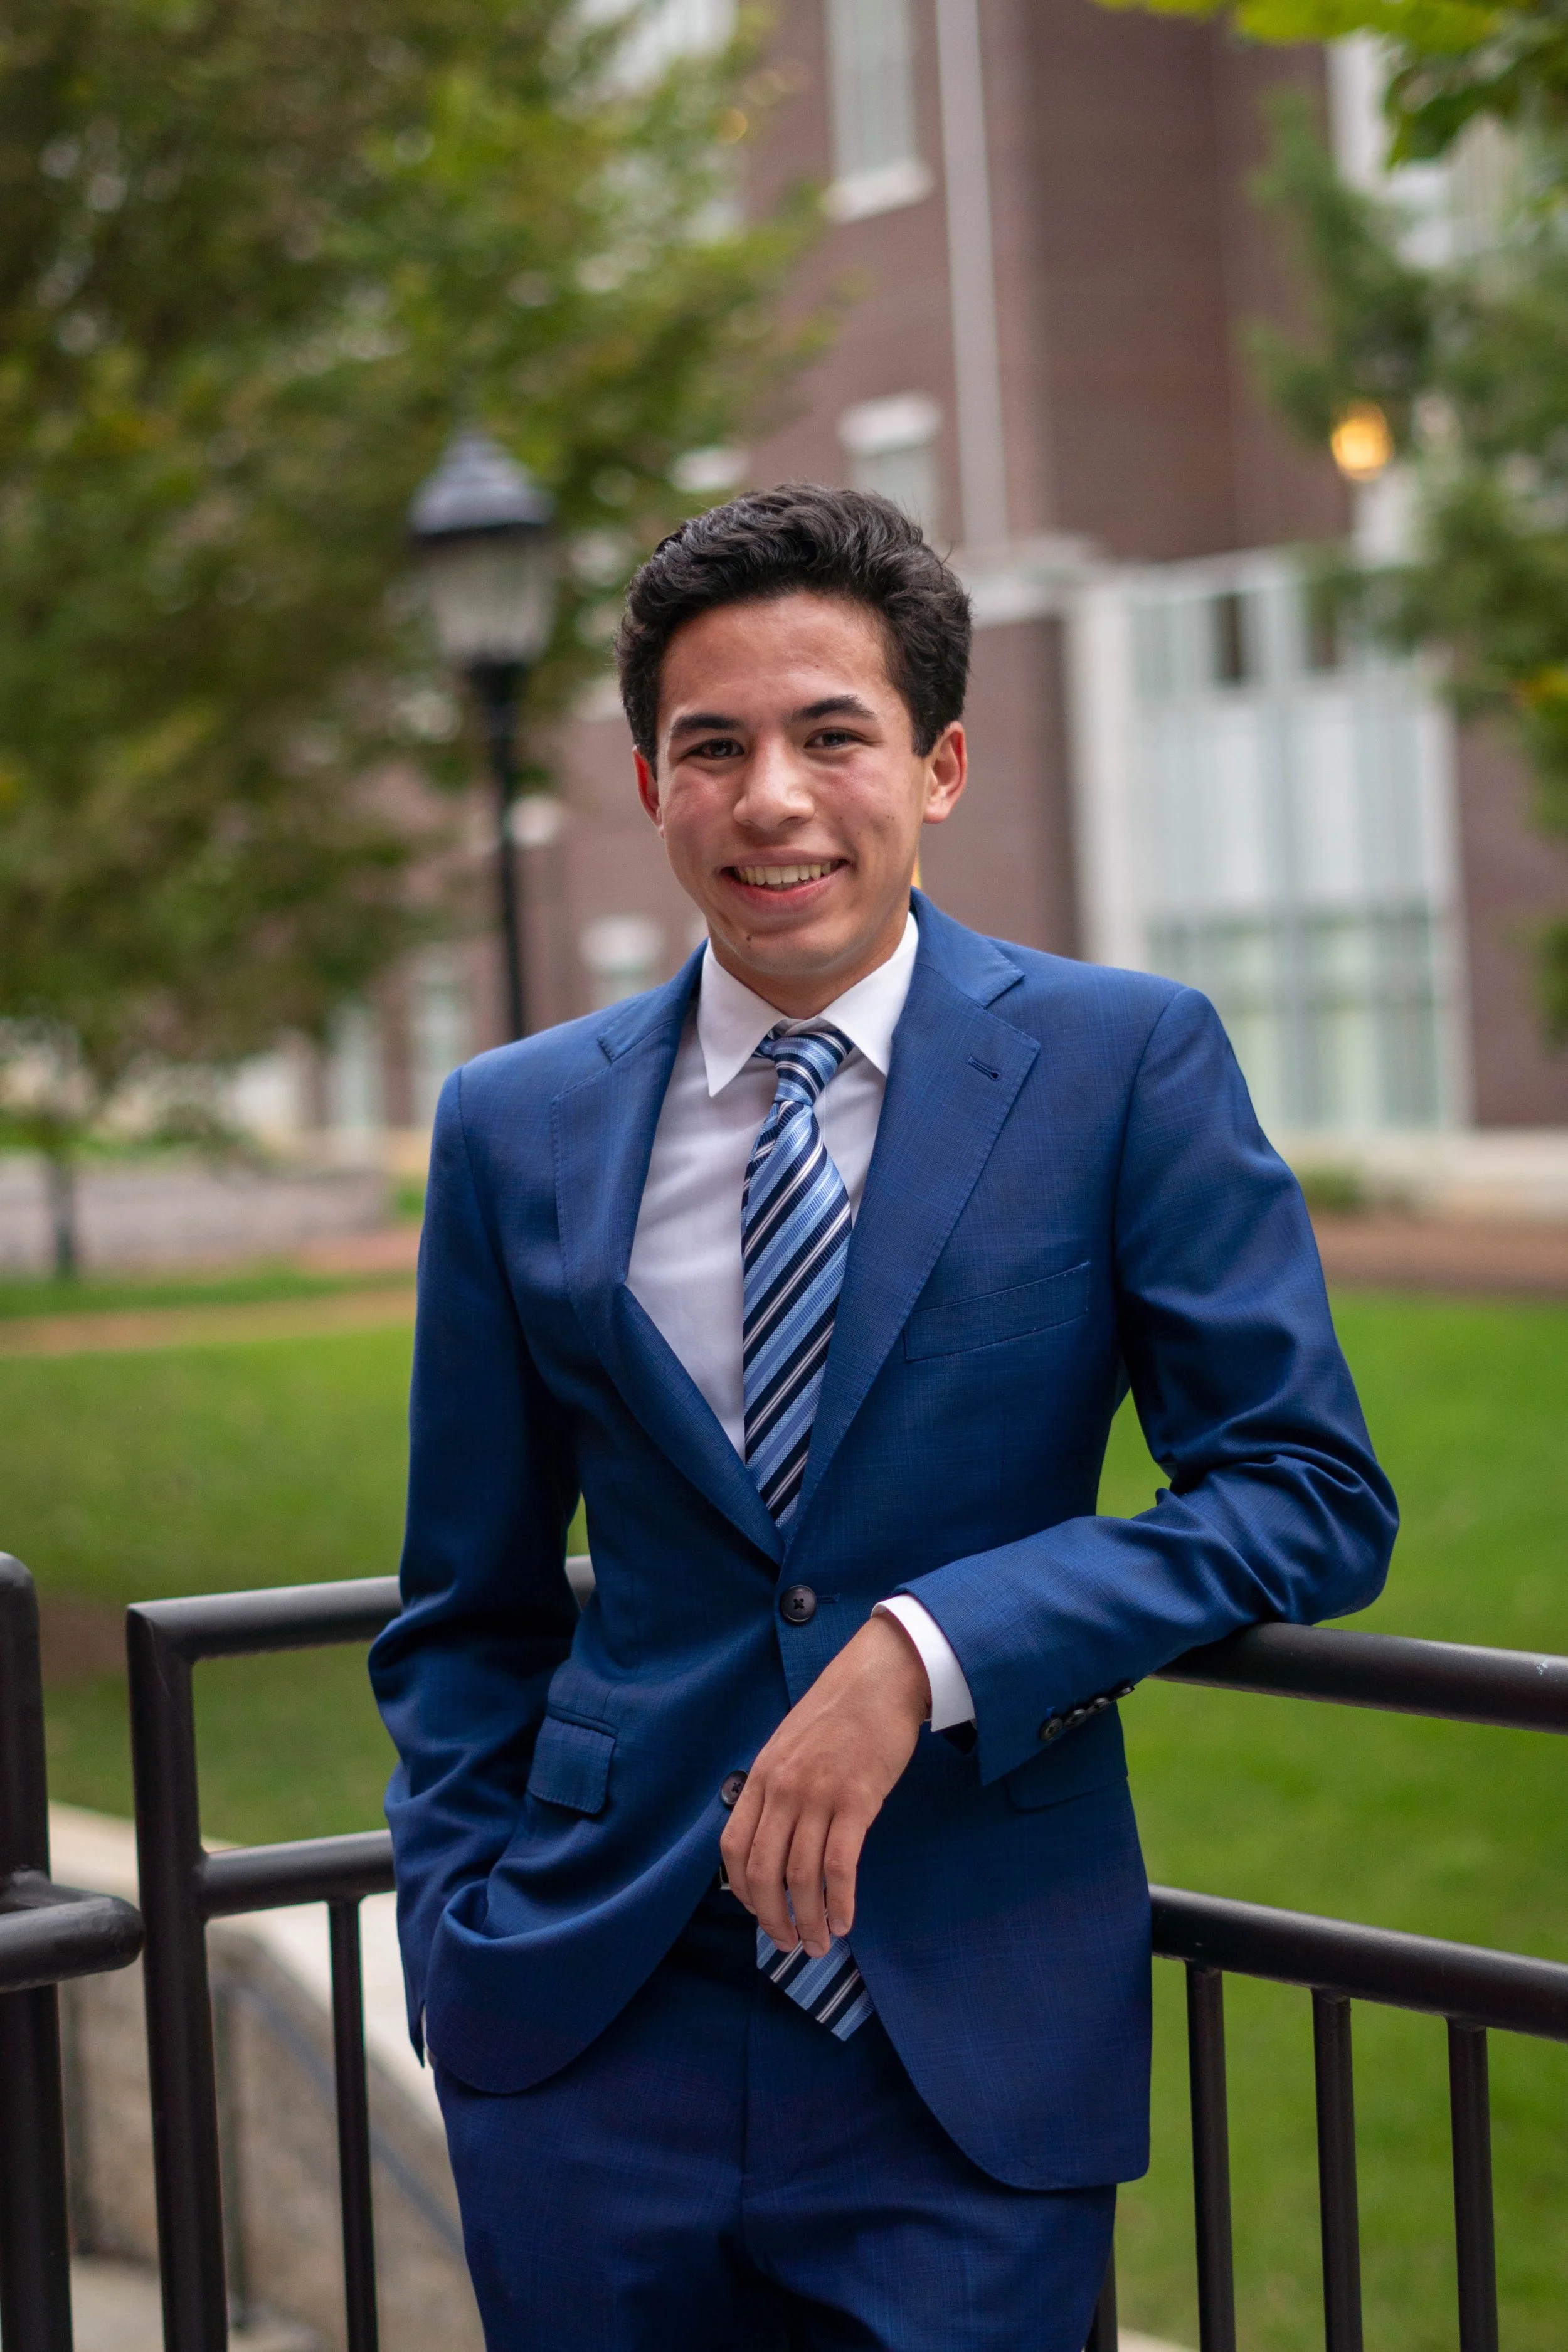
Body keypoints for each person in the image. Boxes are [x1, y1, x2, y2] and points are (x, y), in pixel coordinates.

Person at [370, 484, 1396, 2351]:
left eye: (830, 735)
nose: (771, 797)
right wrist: (466, 1956)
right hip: (595, 2033)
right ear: (649, 785)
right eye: (714, 747)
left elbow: (1306, 1490)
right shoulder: (513, 1122)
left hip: (965, 2048)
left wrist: (932, 1649)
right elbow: (465, 1605)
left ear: (939, 766)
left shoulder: (1120, 1063)